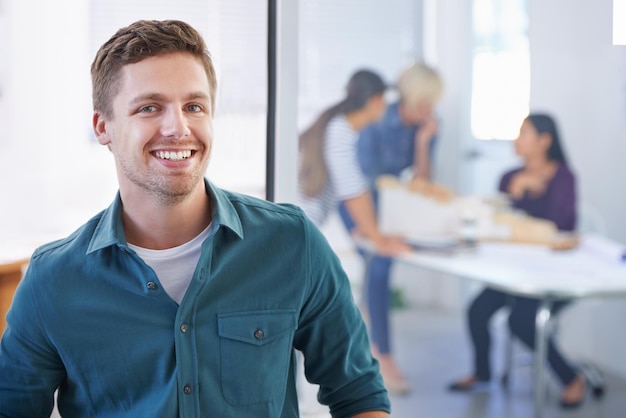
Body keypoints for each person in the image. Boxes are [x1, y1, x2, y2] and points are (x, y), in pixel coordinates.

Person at [0, 20, 391, 418]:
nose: (178, 128)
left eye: (194, 106)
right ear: (104, 127)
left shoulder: (293, 243)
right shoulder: (52, 282)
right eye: (149, 107)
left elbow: (359, 395)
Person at [448, 113, 585, 409]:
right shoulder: (510, 177)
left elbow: (564, 224)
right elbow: (499, 223)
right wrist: (514, 194)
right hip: (514, 272)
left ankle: (572, 378)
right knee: (477, 310)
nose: (516, 139)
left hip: (554, 275)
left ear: (545, 141)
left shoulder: (563, 177)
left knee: (522, 322)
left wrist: (538, 191)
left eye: (524, 133)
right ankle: (482, 373)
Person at [297, 70, 412, 394]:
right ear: (375, 101)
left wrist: (372, 231)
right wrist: (379, 238)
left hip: (299, 233)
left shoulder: (334, 125)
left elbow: (350, 190)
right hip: (294, 236)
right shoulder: (340, 130)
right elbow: (353, 190)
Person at [335, 62, 444, 394]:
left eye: (431, 104)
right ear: (406, 96)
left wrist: (425, 142)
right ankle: (383, 355)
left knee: (377, 271)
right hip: (361, 202)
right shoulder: (376, 120)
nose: (427, 111)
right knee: (378, 267)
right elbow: (361, 185)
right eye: (422, 103)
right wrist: (373, 232)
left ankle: (372, 339)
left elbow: (421, 183)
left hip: (392, 206)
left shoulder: (427, 125)